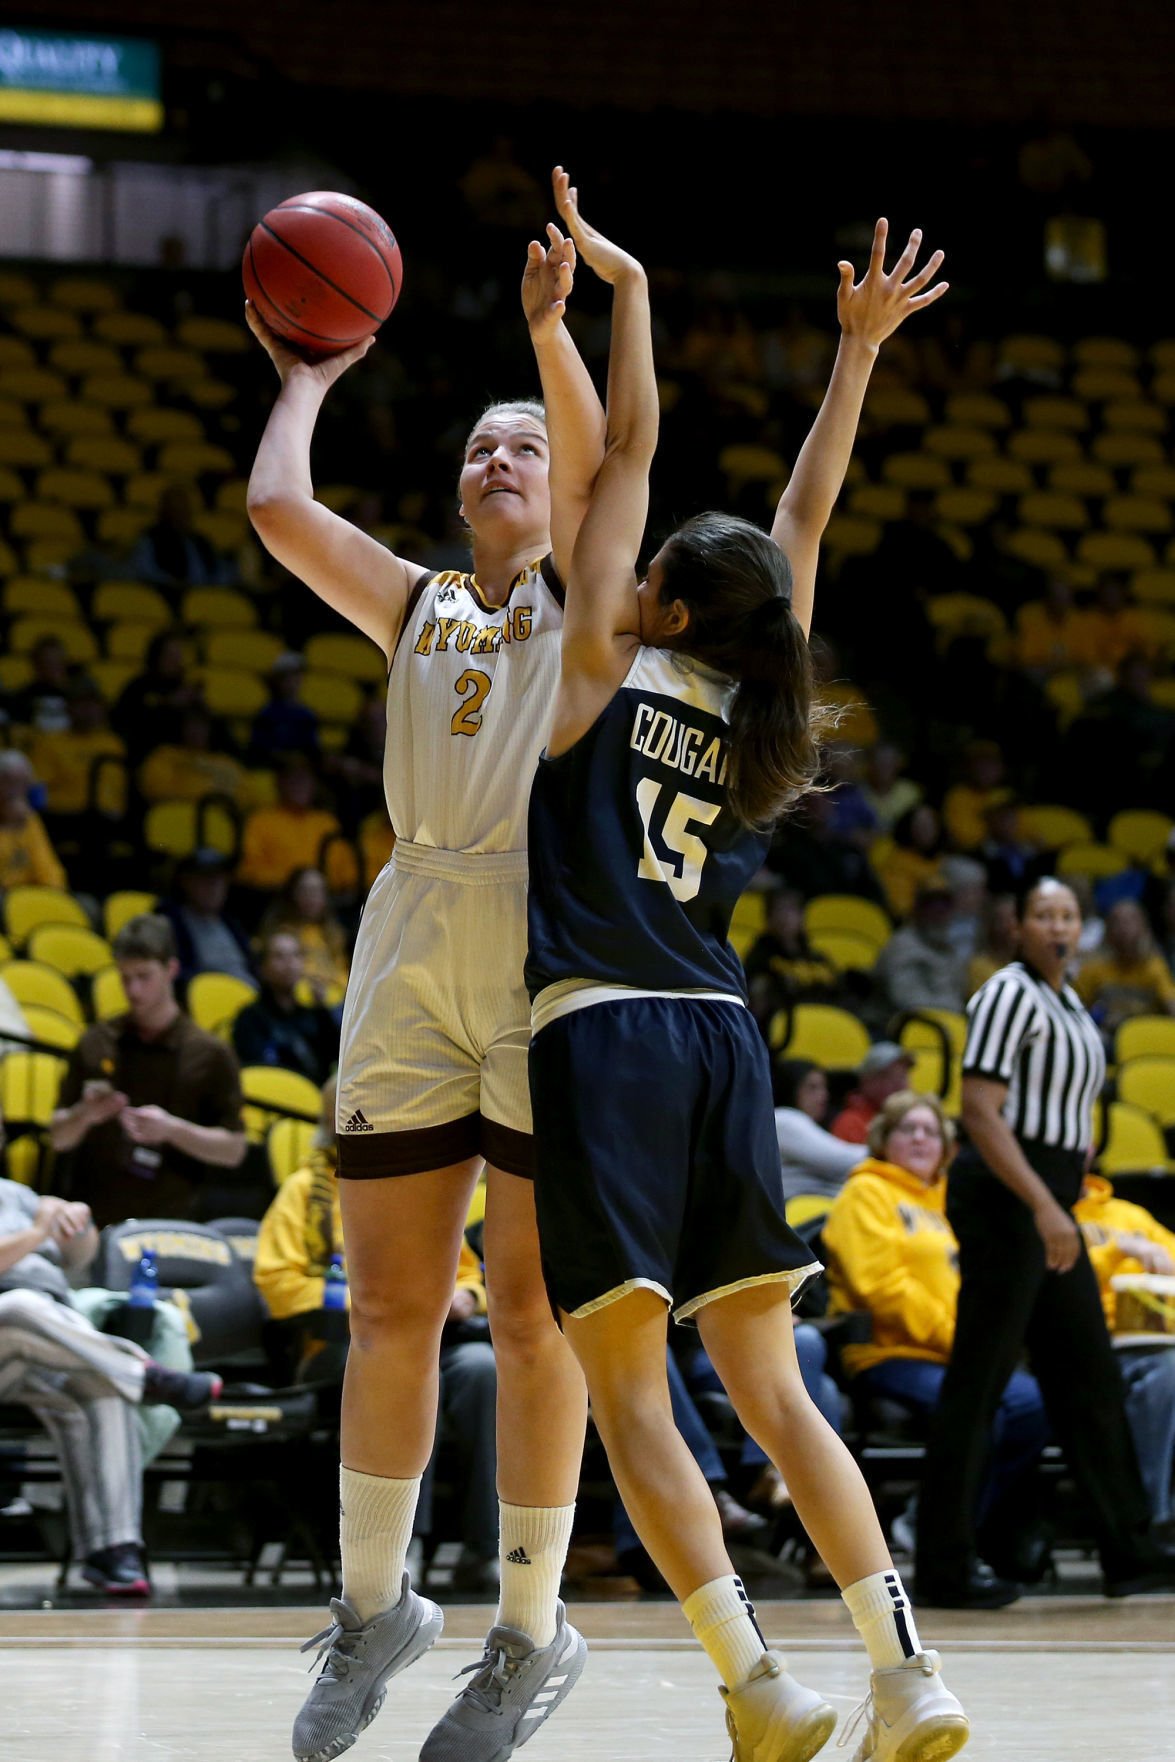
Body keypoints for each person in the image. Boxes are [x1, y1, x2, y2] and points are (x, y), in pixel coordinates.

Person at [525, 176, 965, 1761]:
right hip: (723, 1037)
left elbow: (625, 456)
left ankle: (756, 1685)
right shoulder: (756, 709)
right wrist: (852, 358)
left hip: (598, 1033)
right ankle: (908, 1671)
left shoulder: (594, 665)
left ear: (661, 601)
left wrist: (608, 300)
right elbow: (803, 521)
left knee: (628, 1388)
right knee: (776, 1393)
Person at [246, 195, 606, 1762]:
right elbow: (273, 509)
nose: (500, 460)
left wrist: (547, 338)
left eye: (520, 447)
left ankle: (527, 1633)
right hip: (413, 934)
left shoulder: (584, 597)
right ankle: (375, 1606)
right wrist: (311, 369)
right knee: (390, 1304)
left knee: (531, 1315)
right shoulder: (411, 599)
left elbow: (599, 461)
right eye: (479, 446)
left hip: (542, 944)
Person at [914, 879, 1175, 1606]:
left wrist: (1069, 1171)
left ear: (1080, 928)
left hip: (1047, 1193)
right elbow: (978, 1109)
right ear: (1017, 926)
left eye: (1067, 915)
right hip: (1006, 1195)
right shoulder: (1007, 992)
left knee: (1087, 1375)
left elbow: (1064, 1101)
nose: (1056, 925)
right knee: (981, 1378)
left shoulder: (1069, 1002)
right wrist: (1041, 1203)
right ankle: (942, 1564)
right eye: (1042, 914)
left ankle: (1128, 1549)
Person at [254, 1080, 500, 1588]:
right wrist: (374, 1305)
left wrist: (468, 1298)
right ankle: (397, 1549)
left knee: (483, 1370)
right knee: (403, 1369)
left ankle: (484, 1548)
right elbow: (277, 1284)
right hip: (342, 1345)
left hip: (433, 1340)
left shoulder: (425, 1186)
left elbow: (468, 1272)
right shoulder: (305, 1191)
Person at [823, 1092, 1050, 1580]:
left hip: (956, 1353)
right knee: (988, 1407)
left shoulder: (954, 1199)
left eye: (931, 1130)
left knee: (1033, 1405)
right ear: (885, 1139)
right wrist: (960, 1340)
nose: (921, 1138)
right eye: (909, 1129)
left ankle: (946, 1522)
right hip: (891, 1352)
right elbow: (879, 1287)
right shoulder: (866, 1192)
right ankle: (940, 1529)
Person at [0, 1167, 221, 1595]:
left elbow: (78, 1259)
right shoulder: (33, 1215)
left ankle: (113, 1551)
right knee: (20, 1306)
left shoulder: (18, 1195)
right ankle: (144, 1374)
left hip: (49, 1339)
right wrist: (38, 1230)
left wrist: (76, 1226)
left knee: (103, 1391)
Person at [49, 914, 248, 1229]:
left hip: (171, 1224)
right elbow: (58, 1137)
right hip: (92, 1221)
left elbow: (234, 1151)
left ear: (171, 969)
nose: (133, 989)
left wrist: (172, 1130)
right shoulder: (96, 1041)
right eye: (125, 977)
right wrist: (85, 1114)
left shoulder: (210, 1053)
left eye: (144, 976)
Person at [1075, 1174, 1175, 1538]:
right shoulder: (1042, 1215)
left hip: (1156, 1338)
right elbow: (1061, 1280)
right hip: (1091, 1343)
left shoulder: (1130, 1214)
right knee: (1167, 1373)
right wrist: (1118, 1251)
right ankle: (1156, 1519)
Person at [236, 754, 355, 900]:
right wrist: (295, 885)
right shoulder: (260, 821)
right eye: (293, 779)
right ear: (280, 782)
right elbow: (248, 870)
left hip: (324, 901)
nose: (300, 786)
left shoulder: (326, 823)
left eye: (305, 779)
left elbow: (345, 872)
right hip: (275, 899)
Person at [231, 929, 339, 1086]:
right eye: (279, 956)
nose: (290, 963)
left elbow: (338, 1056)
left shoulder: (314, 1014)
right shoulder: (250, 1018)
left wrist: (323, 1010)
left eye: (295, 955)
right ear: (262, 968)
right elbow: (259, 1072)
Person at [742, 886, 839, 1028]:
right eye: (779, 910)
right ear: (768, 918)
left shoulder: (817, 958)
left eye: (791, 910)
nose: (785, 917)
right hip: (779, 1030)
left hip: (823, 1024)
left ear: (801, 916)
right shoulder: (758, 958)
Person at [1075, 898, 1175, 1033]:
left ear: (1143, 927)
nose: (1123, 928)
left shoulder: (1153, 966)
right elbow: (1075, 1008)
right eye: (1117, 922)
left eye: (1130, 921)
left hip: (1143, 1036)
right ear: (1108, 929)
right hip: (1105, 1036)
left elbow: (1171, 1005)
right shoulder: (1095, 966)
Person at [772, 1058, 864, 1203]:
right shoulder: (783, 1119)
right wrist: (886, 1151)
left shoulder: (801, 1122)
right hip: (803, 1217)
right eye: (812, 1088)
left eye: (823, 1087)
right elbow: (840, 1160)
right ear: (791, 1087)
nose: (823, 1095)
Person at [161, 848, 255, 986]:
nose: (215, 886)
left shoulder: (230, 922)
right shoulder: (171, 922)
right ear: (185, 882)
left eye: (221, 878)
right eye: (206, 878)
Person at [873, 881, 968, 1016]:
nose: (939, 913)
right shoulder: (902, 946)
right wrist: (958, 1012)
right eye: (932, 905)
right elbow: (909, 1002)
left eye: (945, 906)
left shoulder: (946, 948)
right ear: (917, 909)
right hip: (899, 1027)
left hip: (946, 1024)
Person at [258, 867, 349, 1001]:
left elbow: (343, 972)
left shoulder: (333, 933)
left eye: (317, 891)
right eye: (305, 890)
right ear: (292, 894)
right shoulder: (281, 934)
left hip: (338, 999)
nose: (311, 897)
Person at [0, 750, 67, 893]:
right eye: (10, 782)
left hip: (28, 895)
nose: (15, 791)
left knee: (87, 906)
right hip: (4, 896)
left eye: (23, 784)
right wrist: (8, 827)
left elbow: (47, 867)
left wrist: (55, 893)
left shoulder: (29, 819)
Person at [830, 1042, 916, 1144]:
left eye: (903, 1076)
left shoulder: (916, 1121)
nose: (900, 1084)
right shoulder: (849, 1124)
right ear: (866, 1081)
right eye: (889, 1076)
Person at [247, 652, 322, 768]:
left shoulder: (307, 714)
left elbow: (313, 750)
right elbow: (260, 749)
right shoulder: (267, 713)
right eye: (288, 676)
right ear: (277, 680)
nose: (294, 681)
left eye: (297, 675)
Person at [874, 804, 948, 920]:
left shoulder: (941, 857)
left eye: (930, 824)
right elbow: (900, 909)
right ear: (909, 828)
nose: (926, 830)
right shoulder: (896, 861)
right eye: (920, 825)